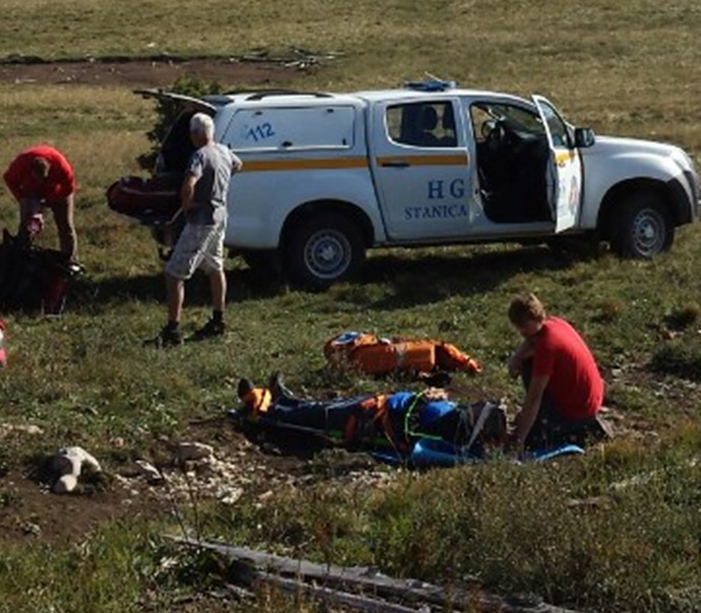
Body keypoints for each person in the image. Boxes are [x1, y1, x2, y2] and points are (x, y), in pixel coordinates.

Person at [235, 373, 507, 463]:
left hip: (370, 417)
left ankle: (260, 409)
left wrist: (423, 399)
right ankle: (284, 398)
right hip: (379, 404)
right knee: (322, 408)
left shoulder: (450, 432)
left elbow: (411, 431)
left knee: (320, 416)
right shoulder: (456, 423)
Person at [150, 112, 241, 347]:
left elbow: (189, 183)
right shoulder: (223, 151)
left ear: (196, 134)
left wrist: (188, 204)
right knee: (215, 267)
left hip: (201, 220)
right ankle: (218, 320)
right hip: (220, 216)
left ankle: (173, 329)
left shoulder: (199, 155)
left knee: (174, 274)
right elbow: (238, 165)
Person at [505, 291, 608, 451]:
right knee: (527, 359)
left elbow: (534, 398)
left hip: (578, 412)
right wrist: (517, 356)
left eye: (524, 328)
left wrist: (519, 440)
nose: (522, 333)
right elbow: (531, 340)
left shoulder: (547, 347)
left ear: (534, 320)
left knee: (529, 366)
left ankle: (548, 426)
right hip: (590, 400)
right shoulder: (555, 323)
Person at [3, 145, 79, 263]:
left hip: (58, 191)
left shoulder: (61, 165)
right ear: (30, 170)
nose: (39, 181)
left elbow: (69, 187)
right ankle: (21, 256)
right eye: (36, 178)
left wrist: (51, 199)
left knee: (66, 226)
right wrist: (21, 198)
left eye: (42, 178)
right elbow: (8, 179)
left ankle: (70, 261)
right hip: (31, 193)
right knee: (28, 225)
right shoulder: (21, 164)